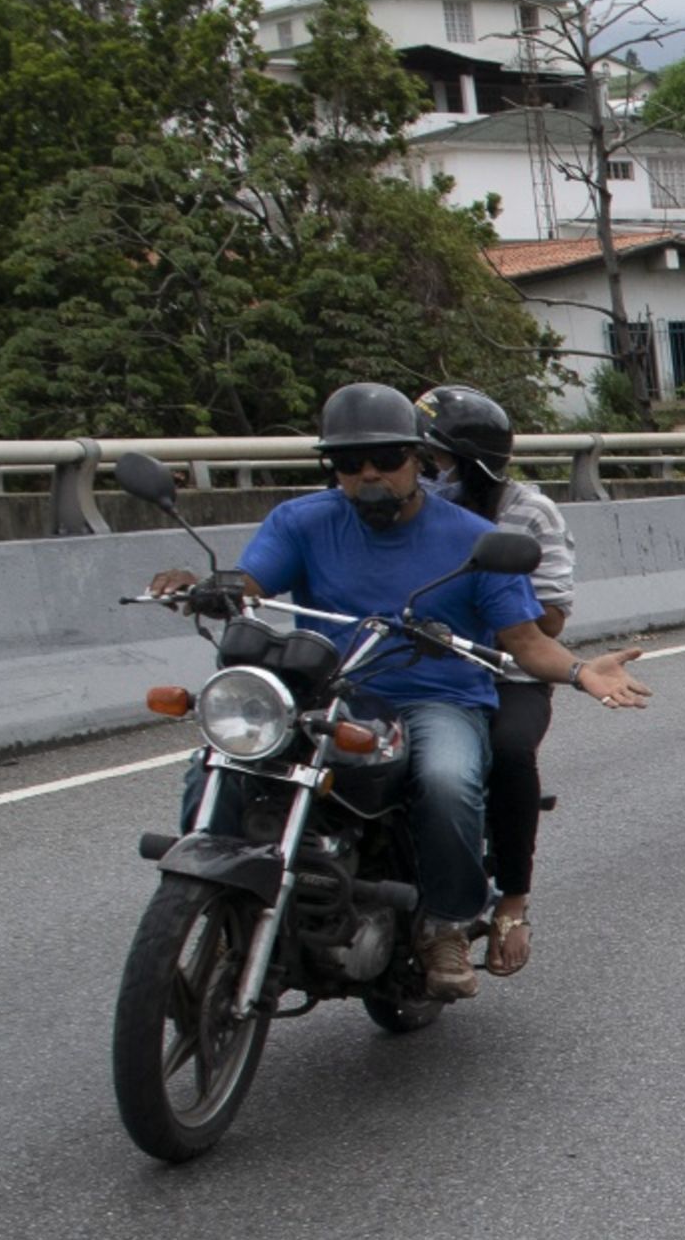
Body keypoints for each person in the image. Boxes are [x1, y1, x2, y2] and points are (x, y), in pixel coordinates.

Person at [154, 382, 647, 1000]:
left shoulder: (469, 536)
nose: (369, 475)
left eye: (387, 459)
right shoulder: (301, 521)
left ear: (418, 460)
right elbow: (251, 581)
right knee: (225, 757)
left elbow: (524, 641)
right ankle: (208, 901)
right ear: (330, 467)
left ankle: (445, 922)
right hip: (330, 690)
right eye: (349, 463)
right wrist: (205, 587)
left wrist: (580, 671)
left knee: (447, 779)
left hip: (438, 697)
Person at [417, 384, 575, 977]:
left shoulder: (526, 512)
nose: (425, 474)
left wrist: (482, 605)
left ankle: (510, 898)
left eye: (436, 462)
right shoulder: (390, 510)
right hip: (413, 668)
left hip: (506, 669)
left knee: (508, 750)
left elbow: (552, 618)